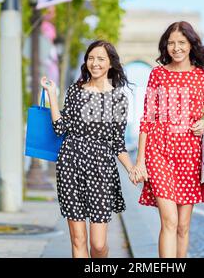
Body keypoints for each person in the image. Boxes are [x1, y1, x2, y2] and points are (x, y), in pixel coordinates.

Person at [41, 40, 139, 258]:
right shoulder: (75, 91)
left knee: (98, 244)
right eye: (91, 58)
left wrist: (131, 168)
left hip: (101, 170)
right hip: (70, 166)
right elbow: (60, 128)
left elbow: (117, 142)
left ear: (111, 63)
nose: (95, 63)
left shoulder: (119, 98)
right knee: (78, 240)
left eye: (101, 59)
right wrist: (52, 95)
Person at [132, 21, 204, 258]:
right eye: (171, 43)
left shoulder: (203, 76)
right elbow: (147, 118)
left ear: (191, 44)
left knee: (183, 225)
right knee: (169, 220)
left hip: (190, 155)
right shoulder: (157, 74)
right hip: (159, 152)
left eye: (181, 42)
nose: (176, 48)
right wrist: (140, 161)